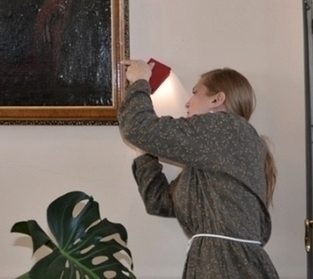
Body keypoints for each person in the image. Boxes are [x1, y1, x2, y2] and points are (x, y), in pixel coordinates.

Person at [117, 59, 278, 279]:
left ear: (217, 99)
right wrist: (145, 154)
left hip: (229, 266)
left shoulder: (226, 128)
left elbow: (136, 127)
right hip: (219, 264)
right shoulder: (211, 155)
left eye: (195, 93)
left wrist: (139, 80)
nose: (187, 103)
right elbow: (160, 202)